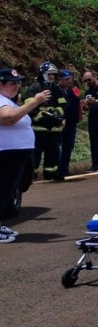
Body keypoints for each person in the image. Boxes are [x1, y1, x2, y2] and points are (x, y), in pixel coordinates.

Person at [0, 67, 51, 241]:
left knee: (5, 192)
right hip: (5, 155)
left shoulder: (8, 100)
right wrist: (34, 101)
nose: (17, 87)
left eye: (18, 83)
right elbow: (8, 119)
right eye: (12, 83)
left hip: (14, 155)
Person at [27, 62, 67, 181]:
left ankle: (51, 174)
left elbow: (63, 105)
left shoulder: (57, 89)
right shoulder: (34, 88)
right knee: (35, 153)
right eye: (49, 74)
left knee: (53, 153)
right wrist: (42, 116)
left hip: (54, 129)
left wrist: (57, 114)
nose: (51, 77)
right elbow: (29, 107)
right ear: (42, 74)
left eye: (53, 75)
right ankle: (30, 176)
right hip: (38, 129)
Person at [53, 69, 81, 181]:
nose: (70, 81)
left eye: (70, 78)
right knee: (59, 147)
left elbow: (75, 105)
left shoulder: (72, 90)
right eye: (67, 79)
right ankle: (57, 171)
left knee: (68, 146)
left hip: (72, 123)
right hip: (61, 123)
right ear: (60, 79)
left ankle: (64, 169)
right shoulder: (55, 90)